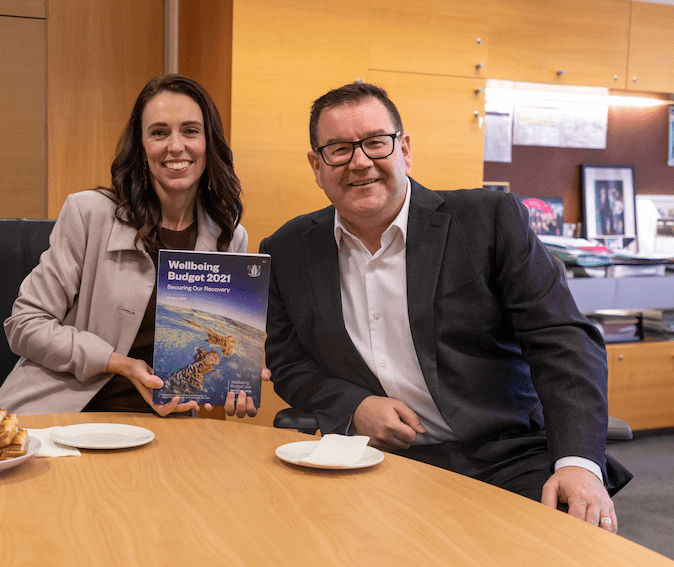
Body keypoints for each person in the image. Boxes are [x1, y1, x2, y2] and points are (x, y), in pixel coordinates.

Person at [260, 82, 631, 532]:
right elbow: (288, 362)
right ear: (316, 167)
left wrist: (578, 464)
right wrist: (354, 406)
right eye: (338, 149)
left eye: (376, 142)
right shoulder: (286, 251)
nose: (360, 162)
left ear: (405, 150)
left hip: (506, 455)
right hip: (378, 460)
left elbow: (563, 340)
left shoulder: (489, 221)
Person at [0, 74, 264, 418]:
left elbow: (210, 350)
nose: (175, 146)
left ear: (208, 142)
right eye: (159, 132)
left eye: (190, 131)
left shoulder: (230, 236)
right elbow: (25, 325)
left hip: (169, 424)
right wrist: (116, 363)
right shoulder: (89, 213)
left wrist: (235, 376)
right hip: (70, 412)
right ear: (141, 146)